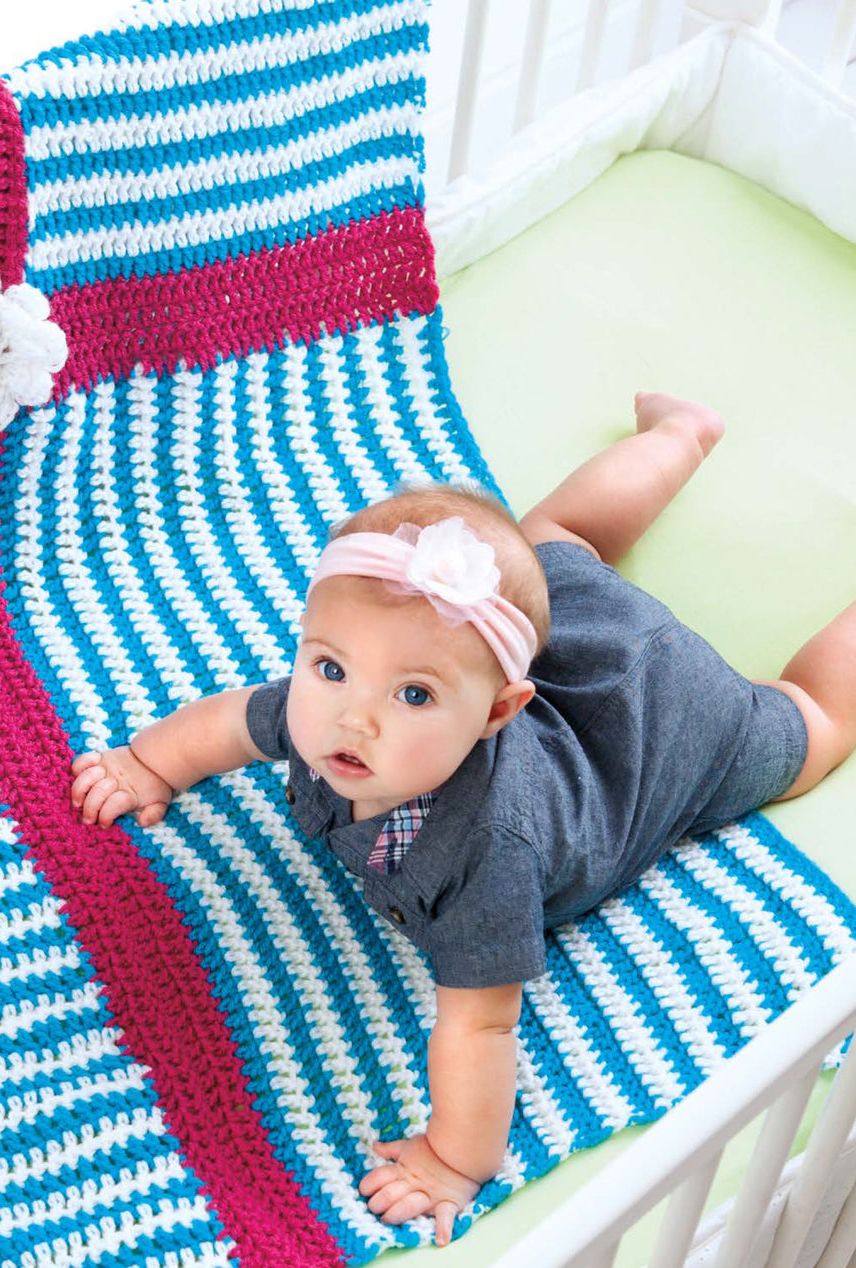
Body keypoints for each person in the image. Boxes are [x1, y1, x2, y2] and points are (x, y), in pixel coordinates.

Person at [67, 391, 856, 1247]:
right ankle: (681, 434)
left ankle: (682, 438)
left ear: (496, 711)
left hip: (667, 726)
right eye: (330, 666)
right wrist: (149, 762)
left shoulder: (485, 857)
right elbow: (229, 724)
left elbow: (480, 1022)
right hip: (568, 628)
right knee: (557, 538)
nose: (355, 718)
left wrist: (453, 1160)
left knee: (811, 719)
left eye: (413, 695)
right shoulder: (324, 715)